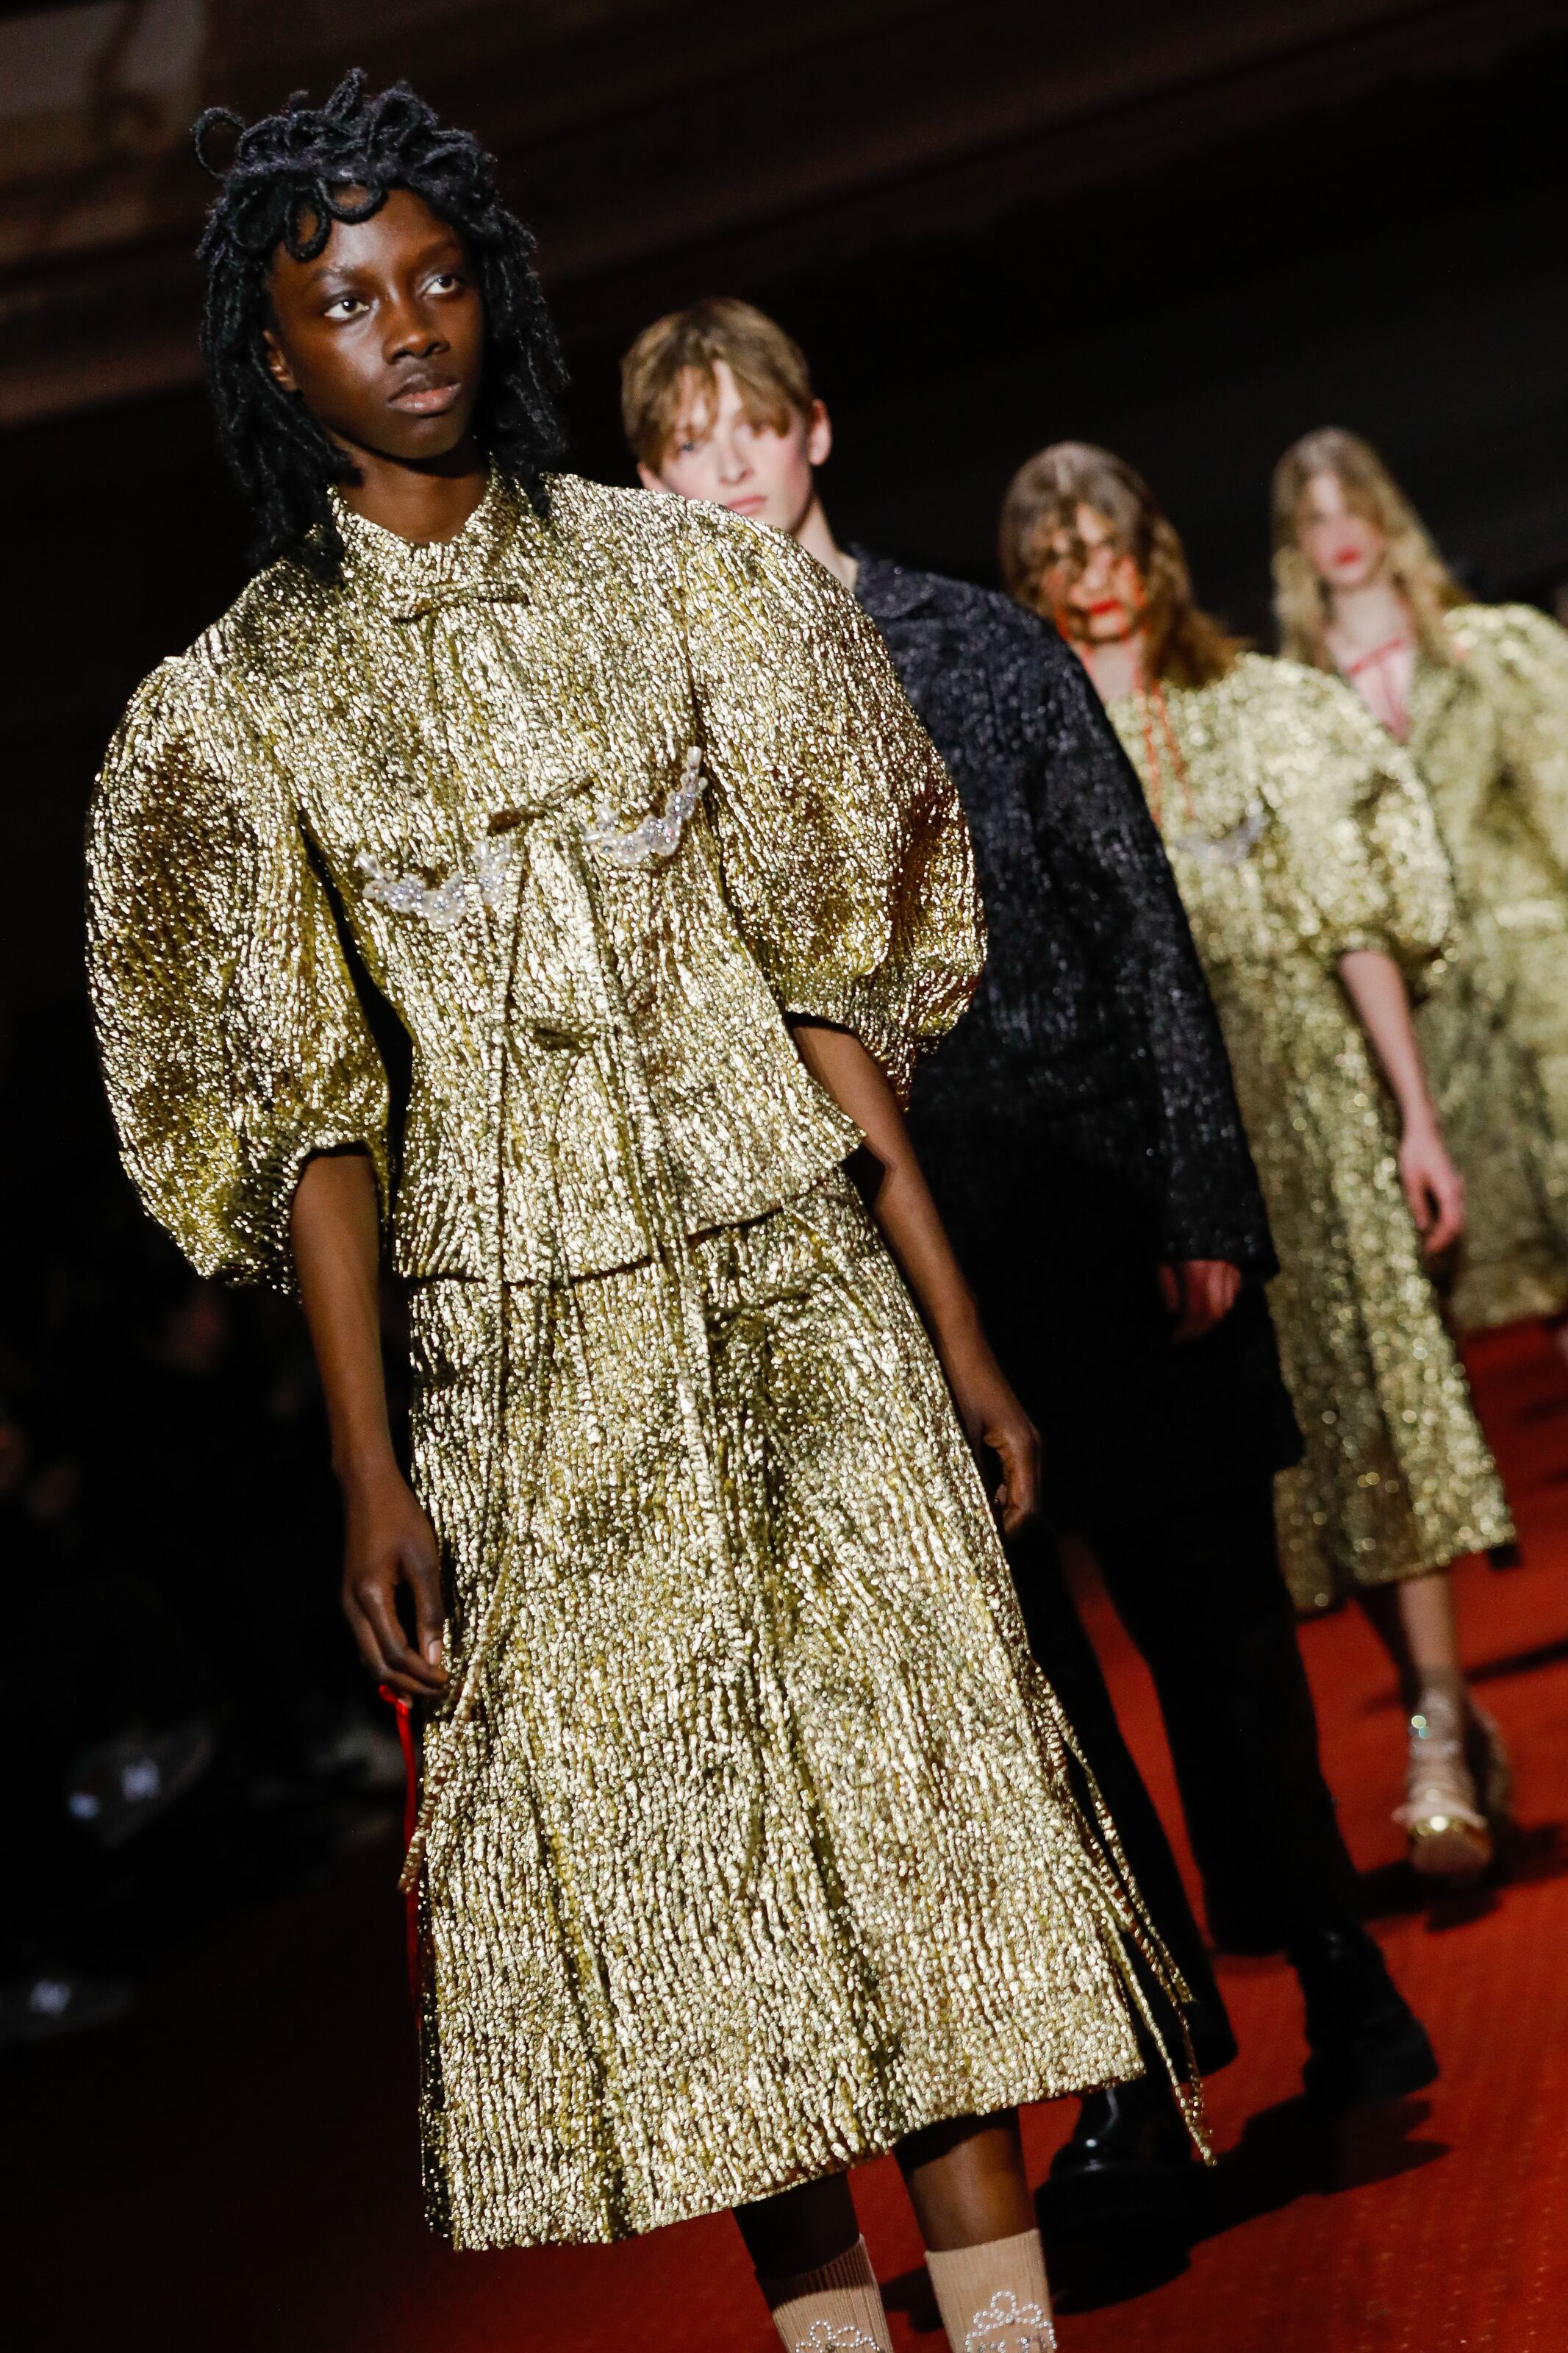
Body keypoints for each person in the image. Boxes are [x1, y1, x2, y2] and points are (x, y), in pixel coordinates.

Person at [85, 76, 1203, 2353]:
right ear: (270, 353)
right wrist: (369, 1465)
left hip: (803, 1299)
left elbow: (827, 974)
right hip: (532, 1375)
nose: (405, 326)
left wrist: (959, 1329)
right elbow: (305, 1118)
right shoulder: (236, 710)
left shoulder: (684, 580)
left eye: (431, 276)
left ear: (490, 283)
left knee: (922, 1827)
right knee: (697, 1892)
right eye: (340, 300)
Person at [623, 297, 1437, 2225]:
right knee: (1021, 1699)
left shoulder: (968, 637)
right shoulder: (676, 724)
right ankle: (1142, 2063)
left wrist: (1193, 1199)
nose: (724, 468)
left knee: (1218, 1643)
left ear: (813, 434)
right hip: (889, 1258)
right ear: (651, 485)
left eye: (749, 430)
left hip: (1086, 1198)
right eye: (682, 447)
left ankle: (1330, 1963)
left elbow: (1131, 908)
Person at [1000, 439, 1514, 1896]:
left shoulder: (1267, 710)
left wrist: (1413, 1119)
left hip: (1313, 1104)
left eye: (1103, 549)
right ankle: (1451, 1715)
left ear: (1150, 552)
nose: (1086, 585)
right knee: (1292, 1465)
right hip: (1172, 1150)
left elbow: (1356, 922)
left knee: (1383, 1401)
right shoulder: (1037, 750)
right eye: (1052, 562)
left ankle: (1427, 1738)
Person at [1272, 426, 1568, 1345]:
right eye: (1317, 518)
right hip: (1428, 1018)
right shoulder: (1296, 708)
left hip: (1544, 966)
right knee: (1519, 1275)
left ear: (1386, 511)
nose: (1342, 532)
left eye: (1354, 505)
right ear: (1296, 545)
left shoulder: (1494, 650)